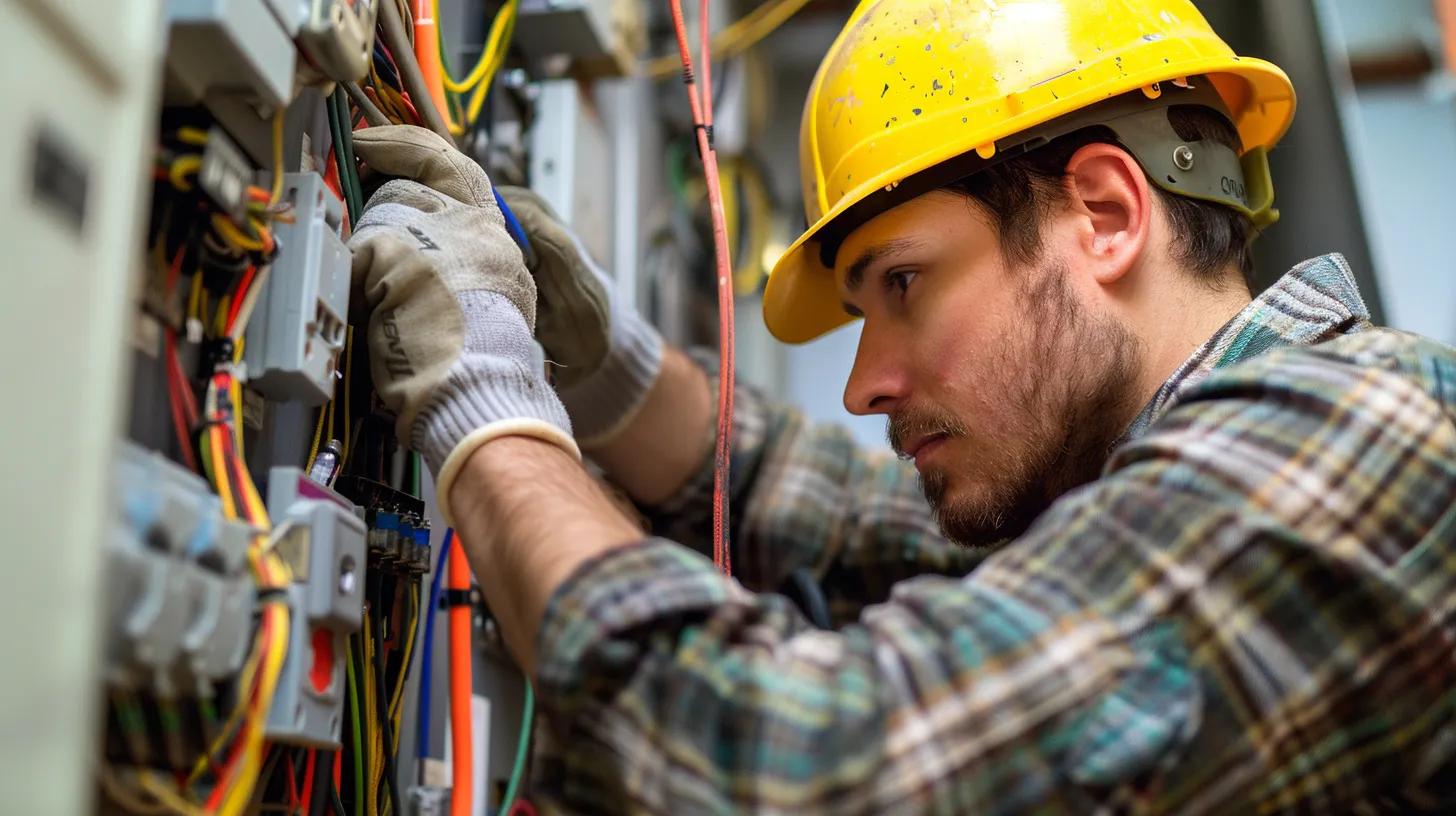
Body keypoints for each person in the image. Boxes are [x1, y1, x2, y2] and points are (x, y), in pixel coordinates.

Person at [346, 0, 1456, 811]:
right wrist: (604, 366)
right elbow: (832, 515)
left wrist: (485, 398)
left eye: (904, 283)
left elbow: (801, 773)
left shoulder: (1375, 435)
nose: (861, 382)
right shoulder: (1146, 469)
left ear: (1107, 214)